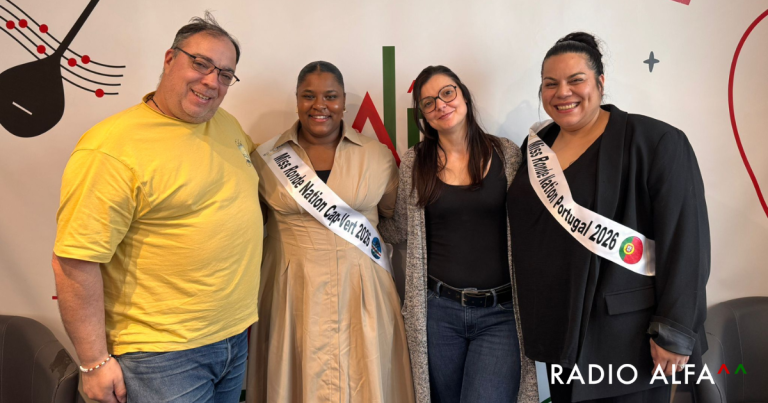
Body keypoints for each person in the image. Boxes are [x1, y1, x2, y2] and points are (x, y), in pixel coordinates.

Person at [51, 12, 261, 403]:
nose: (212, 81)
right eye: (201, 64)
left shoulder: (227, 125)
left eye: (226, 74)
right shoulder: (111, 148)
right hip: (160, 356)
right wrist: (94, 362)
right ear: (169, 59)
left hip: (233, 339)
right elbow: (75, 261)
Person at [507, 32, 710, 402]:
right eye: (550, 84)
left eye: (575, 80)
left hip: (629, 339)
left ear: (600, 83)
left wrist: (675, 333)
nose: (562, 92)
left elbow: (686, 242)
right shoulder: (537, 148)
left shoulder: (655, 141)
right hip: (560, 335)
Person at [246, 61, 414, 403]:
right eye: (308, 95)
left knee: (367, 378)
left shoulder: (376, 156)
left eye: (330, 96)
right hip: (290, 289)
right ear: (296, 99)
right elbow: (250, 225)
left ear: (343, 103)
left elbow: (394, 219)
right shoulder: (266, 158)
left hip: (363, 288)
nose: (319, 105)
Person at [380, 65, 539, 403]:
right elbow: (401, 229)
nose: (440, 104)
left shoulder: (507, 154)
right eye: (428, 102)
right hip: (438, 314)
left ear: (463, 95)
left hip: (501, 314)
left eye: (447, 93)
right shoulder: (414, 162)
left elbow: (531, 224)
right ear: (423, 115)